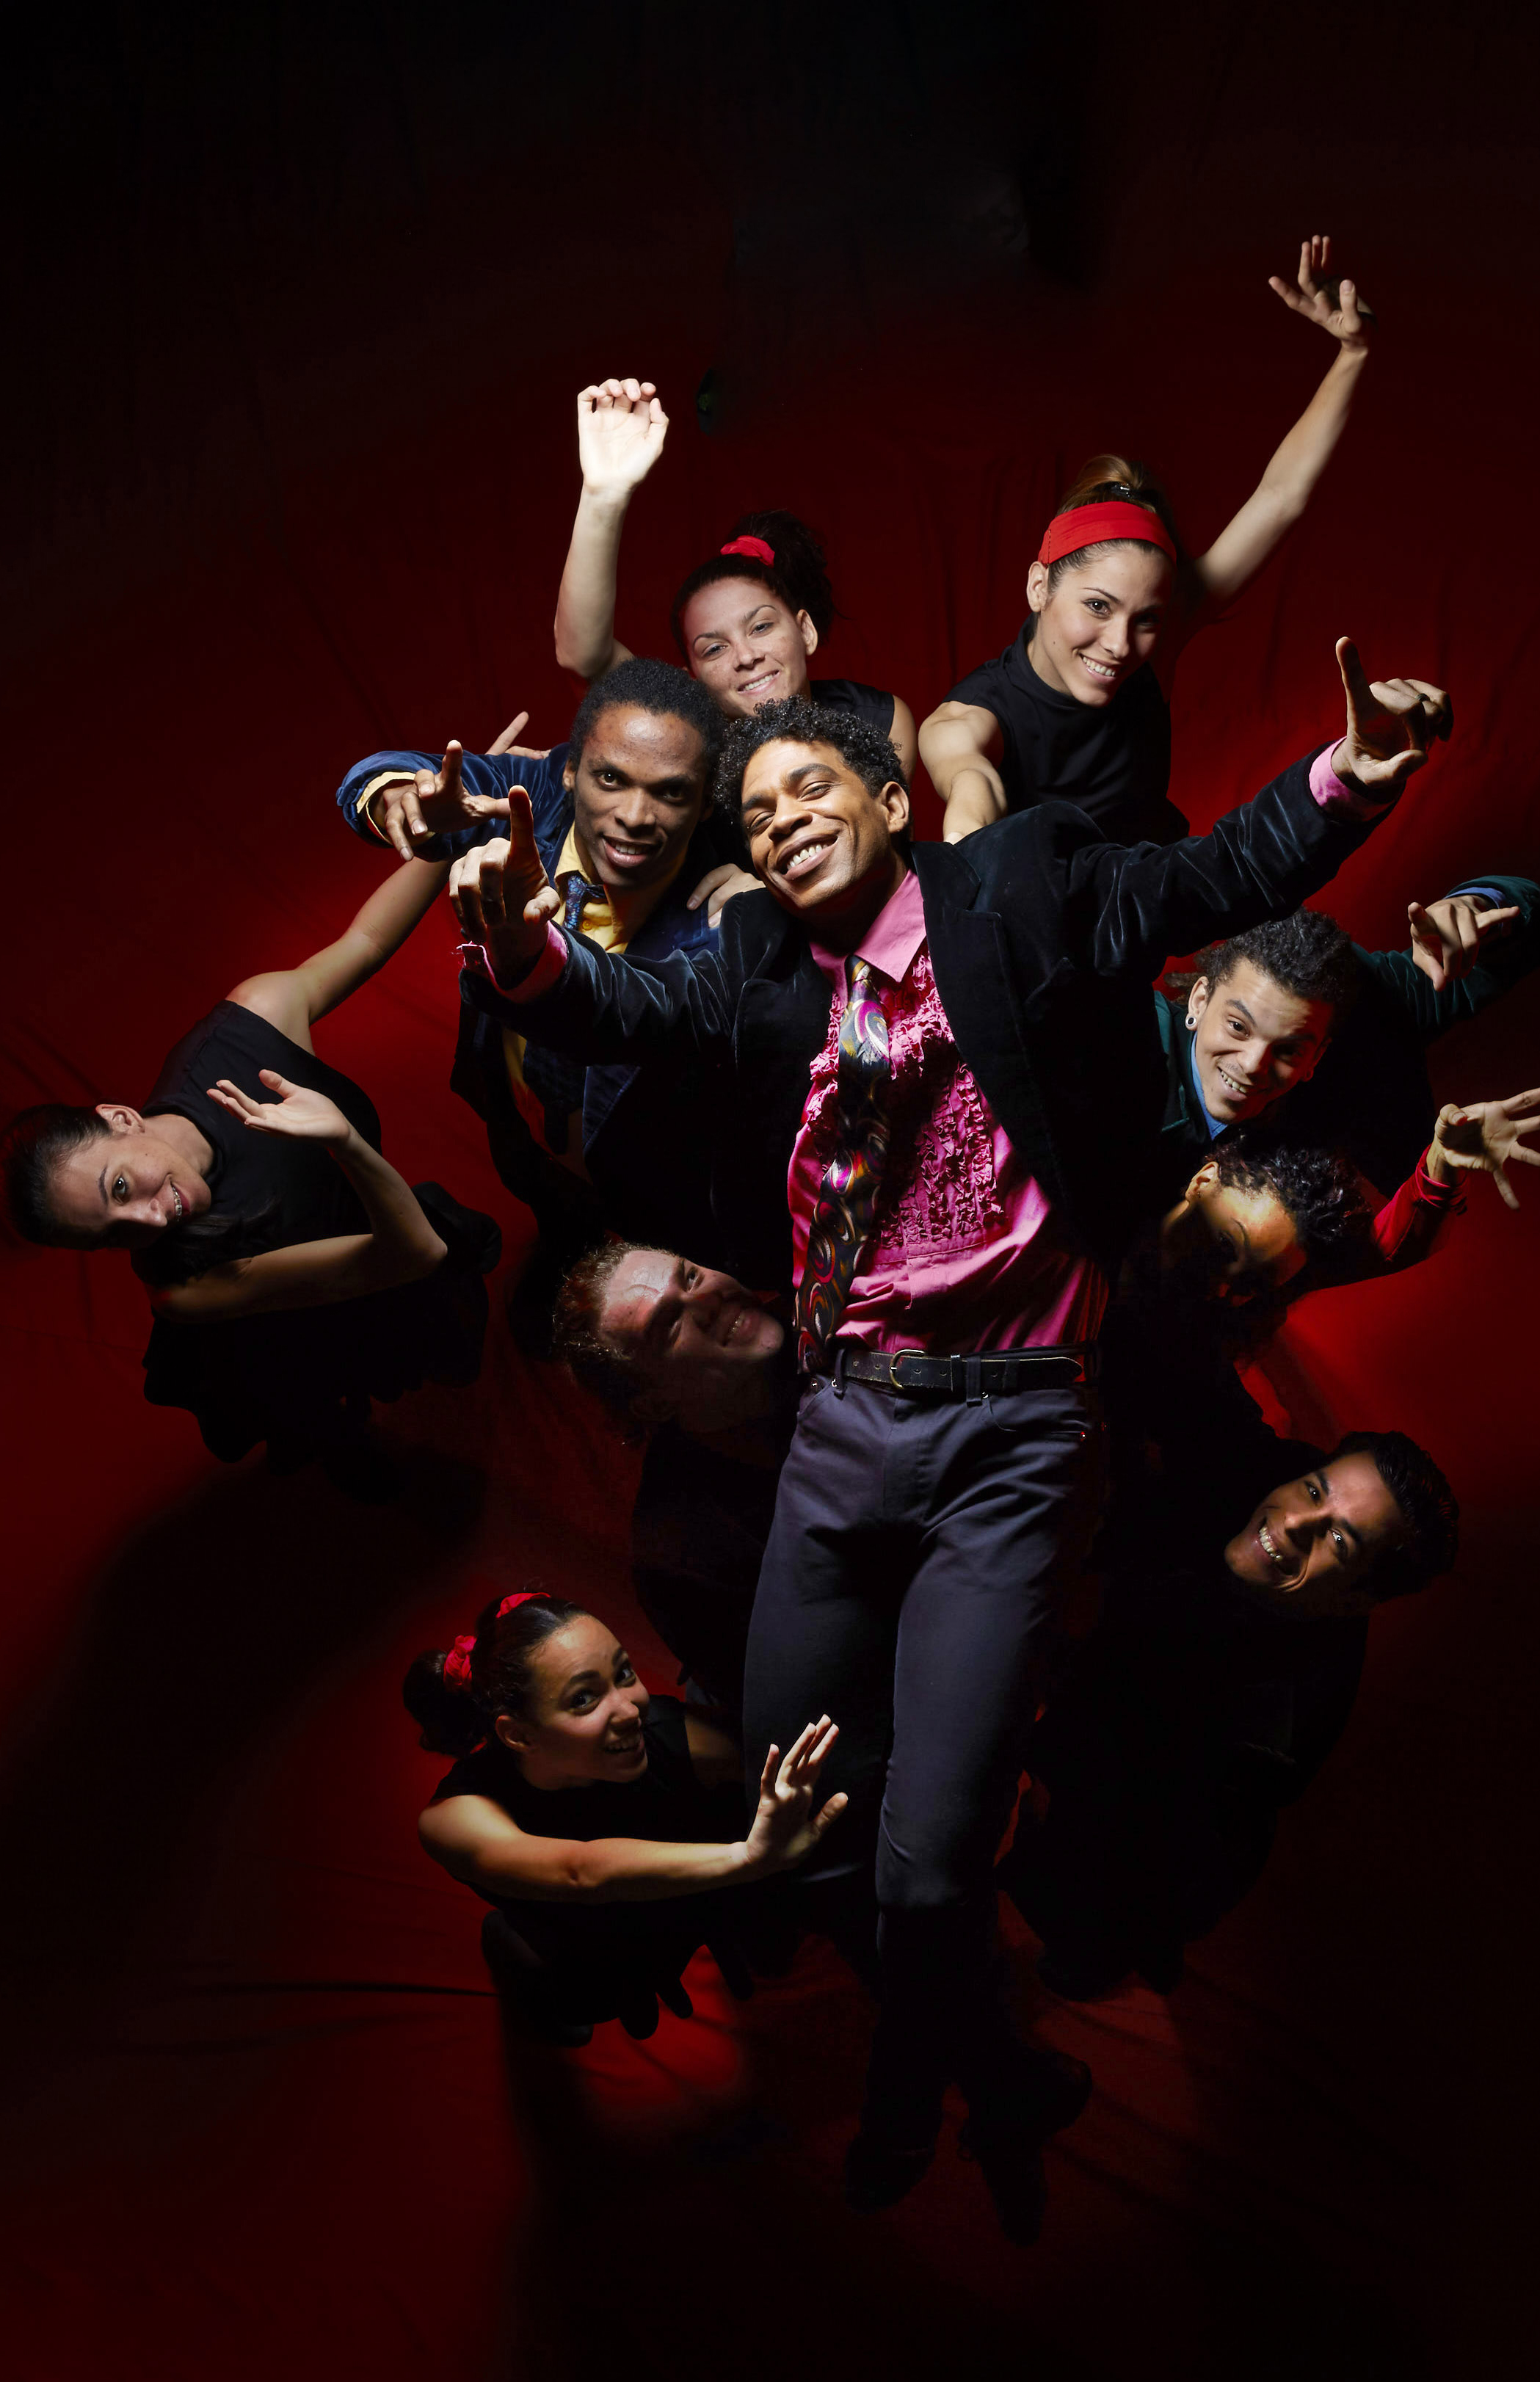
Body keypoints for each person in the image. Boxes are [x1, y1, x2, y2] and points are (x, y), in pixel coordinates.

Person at [448, 637, 1450, 2235]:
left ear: (886, 795)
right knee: (801, 1799)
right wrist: (519, 956)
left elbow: (1208, 879)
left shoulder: (1022, 883)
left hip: (1015, 1433)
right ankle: (987, 2059)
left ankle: (920, 2088)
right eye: (753, 808)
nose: (775, 823)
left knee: (928, 1865)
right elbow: (623, 1007)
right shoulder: (759, 964)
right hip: (844, 1424)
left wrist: (1348, 784)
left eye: (806, 789)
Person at [0, 791, 504, 1491]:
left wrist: (456, 831)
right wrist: (348, 1144)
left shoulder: (250, 1023)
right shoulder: (182, 1287)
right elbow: (414, 1254)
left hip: (368, 1231)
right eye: (113, 1236)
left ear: (119, 1119)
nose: (150, 1220)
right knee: (320, 1400)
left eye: (120, 1188)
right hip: (289, 1311)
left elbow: (366, 943)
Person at [341, 664, 780, 1315]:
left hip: (649, 1155)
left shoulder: (726, 905)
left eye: (670, 793)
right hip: (519, 1110)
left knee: (659, 1268)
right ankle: (562, 1248)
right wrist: (397, 798)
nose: (634, 816)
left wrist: (522, 955)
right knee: (543, 1195)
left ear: (708, 801)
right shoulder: (536, 794)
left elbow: (624, 1013)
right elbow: (383, 773)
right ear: (571, 768)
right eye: (610, 779)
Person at [920, 235, 1382, 846]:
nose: (1118, 646)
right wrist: (970, 849)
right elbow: (968, 781)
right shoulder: (971, 717)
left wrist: (1353, 352)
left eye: (1147, 619)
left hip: (1145, 910)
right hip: (1033, 928)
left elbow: (1279, 497)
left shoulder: (1153, 650)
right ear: (1039, 585)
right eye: (1097, 605)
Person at [1003, 1420, 1463, 2000]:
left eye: (1339, 1542)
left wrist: (1046, 1776)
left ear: (1355, 1600)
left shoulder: (1260, 1731)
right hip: (1101, 1733)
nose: (1293, 1523)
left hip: (1131, 1856)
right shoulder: (1256, 1478)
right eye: (1315, 1490)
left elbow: (1157, 1860)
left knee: (1076, 1934)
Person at [409, 1588, 846, 2045]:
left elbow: (789, 1760)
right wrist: (750, 1857)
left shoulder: (675, 1735)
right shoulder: (456, 1817)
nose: (631, 1708)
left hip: (687, 1904)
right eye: (583, 1699)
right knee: (575, 2006)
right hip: (587, 1943)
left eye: (623, 1672)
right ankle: (510, 1948)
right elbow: (577, 1872)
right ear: (518, 1735)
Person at [548, 380, 920, 780]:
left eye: (760, 627)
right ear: (693, 678)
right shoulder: (687, 737)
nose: (746, 657)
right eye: (713, 650)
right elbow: (584, 654)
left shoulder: (879, 721)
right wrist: (605, 494)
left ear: (805, 631)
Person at [1160, 879, 1540, 1194]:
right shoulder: (1124, 1038)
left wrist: (1474, 905)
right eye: (1237, 1026)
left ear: (1318, 1055)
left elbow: (1534, 927)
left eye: (1289, 1050)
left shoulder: (1369, 1013)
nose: (1252, 1065)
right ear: (1200, 999)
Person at [545, 1241, 798, 1721]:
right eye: (670, 1326)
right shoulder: (680, 1555)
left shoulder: (850, 1314)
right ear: (652, 1404)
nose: (707, 1300)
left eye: (690, 1276)